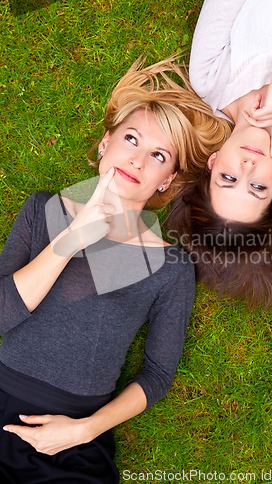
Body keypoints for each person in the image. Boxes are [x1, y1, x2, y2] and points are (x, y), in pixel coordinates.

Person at [0, 57, 228, 483]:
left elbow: (158, 374)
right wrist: (70, 240)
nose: (138, 160)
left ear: (167, 179)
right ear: (106, 143)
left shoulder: (171, 267)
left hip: (74, 444)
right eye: (131, 139)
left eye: (157, 155)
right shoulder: (43, 209)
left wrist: (85, 429)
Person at [167, 0, 272, 306]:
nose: (247, 168)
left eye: (228, 179)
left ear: (212, 162)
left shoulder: (211, 78)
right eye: (257, 187)